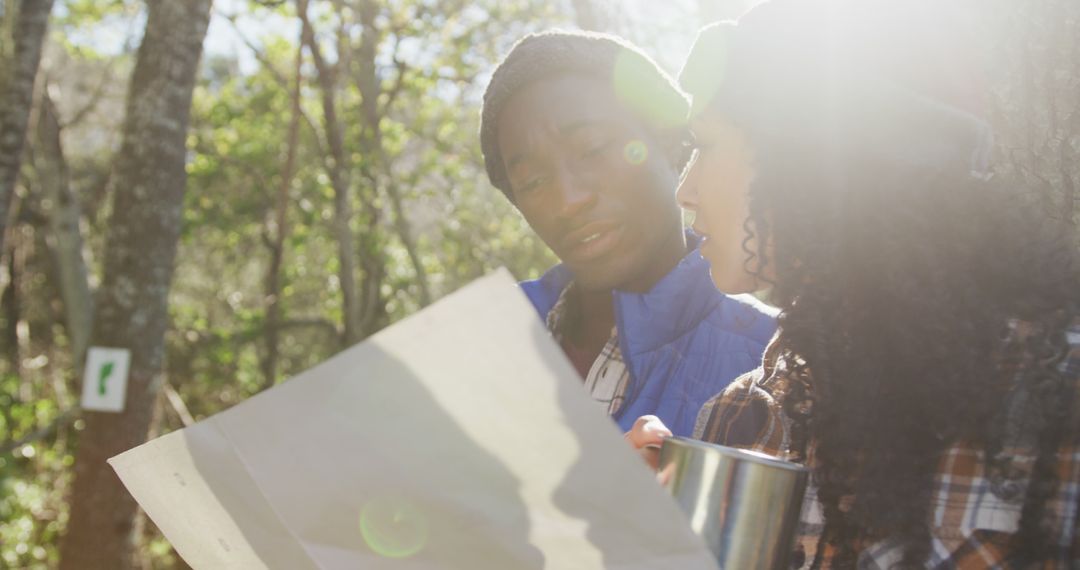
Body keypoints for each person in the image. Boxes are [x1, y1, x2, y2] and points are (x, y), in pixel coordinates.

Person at [627, 1, 1080, 567]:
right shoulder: (743, 410)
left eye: (706, 144)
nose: (684, 190)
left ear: (815, 159)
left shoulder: (1056, 400)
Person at [479, 30, 776, 437]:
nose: (568, 200)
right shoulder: (485, 344)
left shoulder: (777, 363)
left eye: (594, 149)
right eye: (531, 182)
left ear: (672, 146)